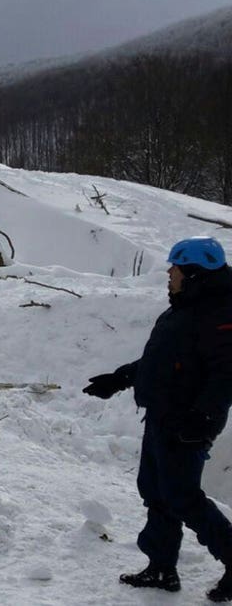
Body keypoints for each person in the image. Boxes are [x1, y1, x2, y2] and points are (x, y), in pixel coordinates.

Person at [85, 236, 232, 601]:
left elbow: (226, 374)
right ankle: (161, 566)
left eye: (176, 267)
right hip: (163, 415)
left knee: (182, 497)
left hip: (189, 422)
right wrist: (119, 378)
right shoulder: (184, 308)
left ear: (194, 273)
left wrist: (203, 417)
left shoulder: (220, 315)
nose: (169, 272)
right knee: (155, 492)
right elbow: (160, 360)